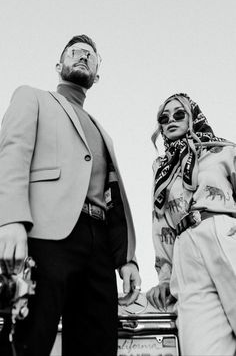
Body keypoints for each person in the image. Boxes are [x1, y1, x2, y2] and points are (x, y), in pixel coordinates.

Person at [0, 34, 141, 356]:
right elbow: (12, 154)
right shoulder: (31, 97)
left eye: (91, 55)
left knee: (97, 343)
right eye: (75, 52)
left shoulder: (103, 131)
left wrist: (127, 259)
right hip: (46, 235)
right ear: (59, 64)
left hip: (100, 247)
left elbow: (113, 195)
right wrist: (9, 219)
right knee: (29, 338)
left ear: (97, 75)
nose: (83, 56)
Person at [146, 93, 236, 356]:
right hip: (184, 251)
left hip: (222, 229)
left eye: (179, 114)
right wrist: (164, 277)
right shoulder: (161, 170)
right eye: (164, 118)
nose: (170, 120)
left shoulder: (224, 151)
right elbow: (160, 223)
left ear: (193, 117)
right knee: (201, 347)